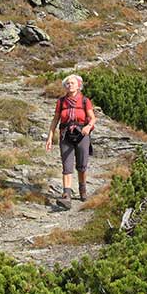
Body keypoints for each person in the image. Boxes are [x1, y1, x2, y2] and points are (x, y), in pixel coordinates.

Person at [45, 73, 96, 210]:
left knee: (82, 165)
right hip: (65, 136)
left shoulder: (85, 101)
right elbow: (55, 120)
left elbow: (92, 118)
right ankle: (66, 195)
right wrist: (50, 137)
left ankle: (82, 189)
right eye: (67, 83)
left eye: (72, 83)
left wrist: (88, 126)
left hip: (82, 135)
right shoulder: (61, 102)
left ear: (79, 85)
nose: (69, 85)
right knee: (67, 166)